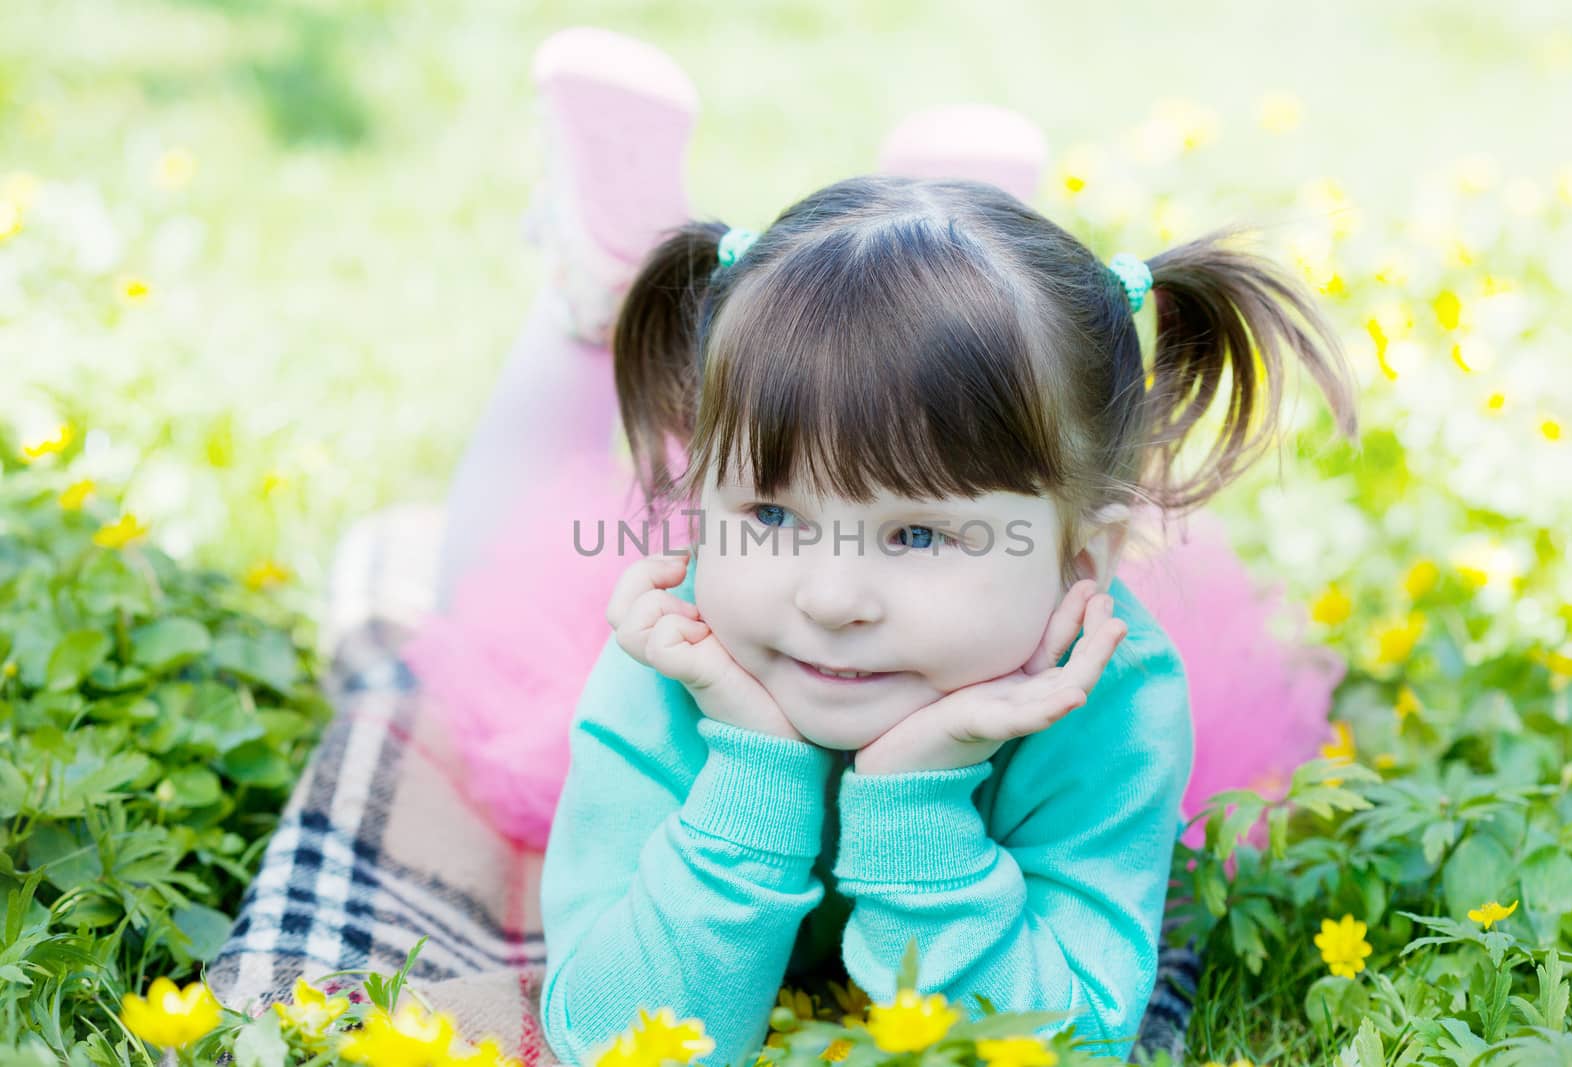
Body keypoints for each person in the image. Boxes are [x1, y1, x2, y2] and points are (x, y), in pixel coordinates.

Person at [401, 26, 1358, 1067]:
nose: (831, 596)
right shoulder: (667, 661)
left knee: (937, 420)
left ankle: (939, 230)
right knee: (481, 579)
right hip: (727, 584)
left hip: (978, 590)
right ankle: (595, 286)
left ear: (1086, 561)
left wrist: (919, 804)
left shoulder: (1112, 705)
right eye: (769, 515)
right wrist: (754, 768)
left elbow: (1067, 1043)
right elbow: (608, 1038)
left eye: (916, 532)